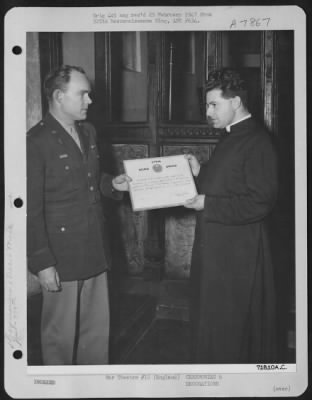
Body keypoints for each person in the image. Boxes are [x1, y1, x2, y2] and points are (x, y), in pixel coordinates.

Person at [27, 65, 131, 365]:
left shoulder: (88, 132)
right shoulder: (35, 142)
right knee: (59, 336)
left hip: (95, 246)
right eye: (82, 93)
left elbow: (90, 180)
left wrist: (111, 183)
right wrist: (42, 263)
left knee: (96, 333)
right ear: (59, 97)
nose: (89, 100)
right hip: (62, 254)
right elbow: (29, 210)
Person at [184, 68, 278, 363]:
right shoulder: (231, 136)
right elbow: (228, 182)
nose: (208, 112)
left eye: (214, 105)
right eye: (207, 105)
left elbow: (260, 202)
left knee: (231, 331)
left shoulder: (258, 141)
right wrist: (201, 172)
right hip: (220, 249)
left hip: (239, 254)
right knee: (215, 325)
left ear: (236, 102)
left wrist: (207, 205)